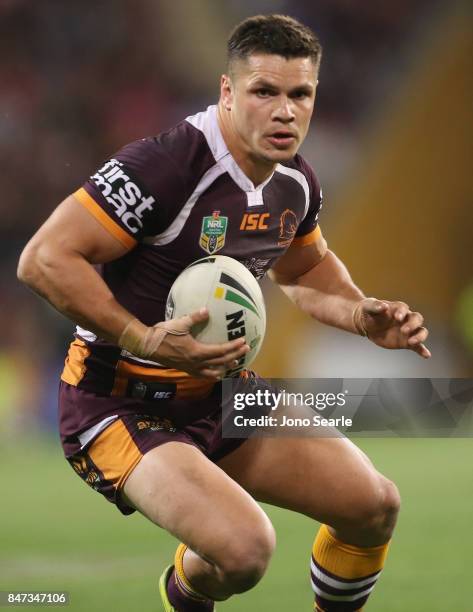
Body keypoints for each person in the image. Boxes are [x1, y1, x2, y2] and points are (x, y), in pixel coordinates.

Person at [18, 14, 430, 612]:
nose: (285, 111)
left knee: (374, 506)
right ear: (227, 92)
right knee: (243, 552)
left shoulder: (296, 182)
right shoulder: (165, 166)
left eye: (300, 94)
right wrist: (144, 338)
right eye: (265, 92)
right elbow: (44, 260)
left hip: (224, 394)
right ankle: (183, 590)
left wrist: (362, 314)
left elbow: (306, 271)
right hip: (120, 400)